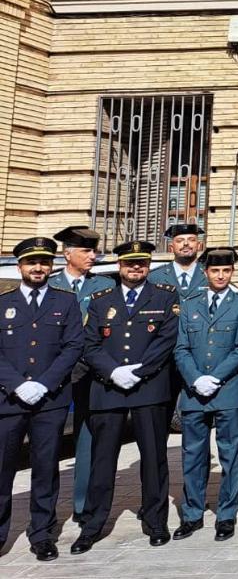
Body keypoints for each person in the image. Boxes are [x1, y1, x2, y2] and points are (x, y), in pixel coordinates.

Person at [73, 240, 180, 554]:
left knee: (154, 459)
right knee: (102, 461)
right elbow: (89, 343)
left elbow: (166, 339)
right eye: (130, 263)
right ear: (119, 266)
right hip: (107, 390)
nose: (136, 268)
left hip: (150, 389)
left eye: (142, 263)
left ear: (148, 265)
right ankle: (92, 526)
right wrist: (113, 372)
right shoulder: (99, 299)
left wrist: (140, 370)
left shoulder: (164, 295)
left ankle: (156, 522)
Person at [0, 237, 83, 562]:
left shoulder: (66, 302)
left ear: (52, 266)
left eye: (44, 262)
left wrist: (44, 384)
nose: (38, 267)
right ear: (19, 266)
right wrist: (17, 385)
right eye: (31, 262)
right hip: (9, 400)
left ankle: (42, 535)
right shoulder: (2, 303)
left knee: (46, 469)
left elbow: (73, 346)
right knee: (2, 468)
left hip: (50, 401)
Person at [173, 247, 238, 542]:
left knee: (230, 455)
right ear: (205, 272)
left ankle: (226, 515)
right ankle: (192, 513)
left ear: (232, 272)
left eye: (226, 271)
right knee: (192, 456)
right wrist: (196, 379)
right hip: (194, 393)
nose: (221, 276)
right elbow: (180, 347)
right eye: (215, 271)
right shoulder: (190, 302)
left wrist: (215, 378)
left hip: (227, 391)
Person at [47, 225, 112, 527]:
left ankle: (83, 505)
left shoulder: (102, 286)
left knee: (87, 440)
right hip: (53, 376)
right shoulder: (50, 284)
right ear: (67, 253)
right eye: (86, 250)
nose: (93, 256)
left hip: (89, 374)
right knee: (47, 446)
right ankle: (45, 510)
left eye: (94, 250)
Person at [150, 223, 207, 293]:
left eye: (191, 240)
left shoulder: (210, 274)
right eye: (179, 241)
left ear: (199, 245)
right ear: (171, 247)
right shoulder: (155, 276)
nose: (186, 243)